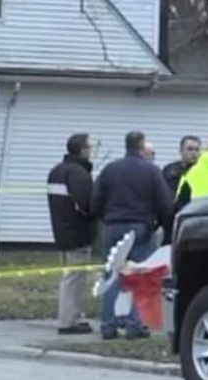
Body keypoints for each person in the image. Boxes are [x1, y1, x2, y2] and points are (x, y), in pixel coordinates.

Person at [92, 131, 173, 340]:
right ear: (141, 146)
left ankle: (108, 325)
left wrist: (106, 218)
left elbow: (96, 200)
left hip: (112, 226)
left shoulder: (110, 170)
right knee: (139, 276)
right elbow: (165, 203)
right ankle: (134, 324)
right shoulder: (151, 171)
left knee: (112, 275)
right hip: (140, 226)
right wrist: (162, 227)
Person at [46, 133, 97, 335]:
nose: (91, 150)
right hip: (78, 232)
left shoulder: (56, 171)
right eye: (89, 147)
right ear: (82, 150)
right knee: (75, 278)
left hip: (61, 230)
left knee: (68, 276)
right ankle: (68, 321)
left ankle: (73, 316)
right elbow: (87, 203)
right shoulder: (78, 174)